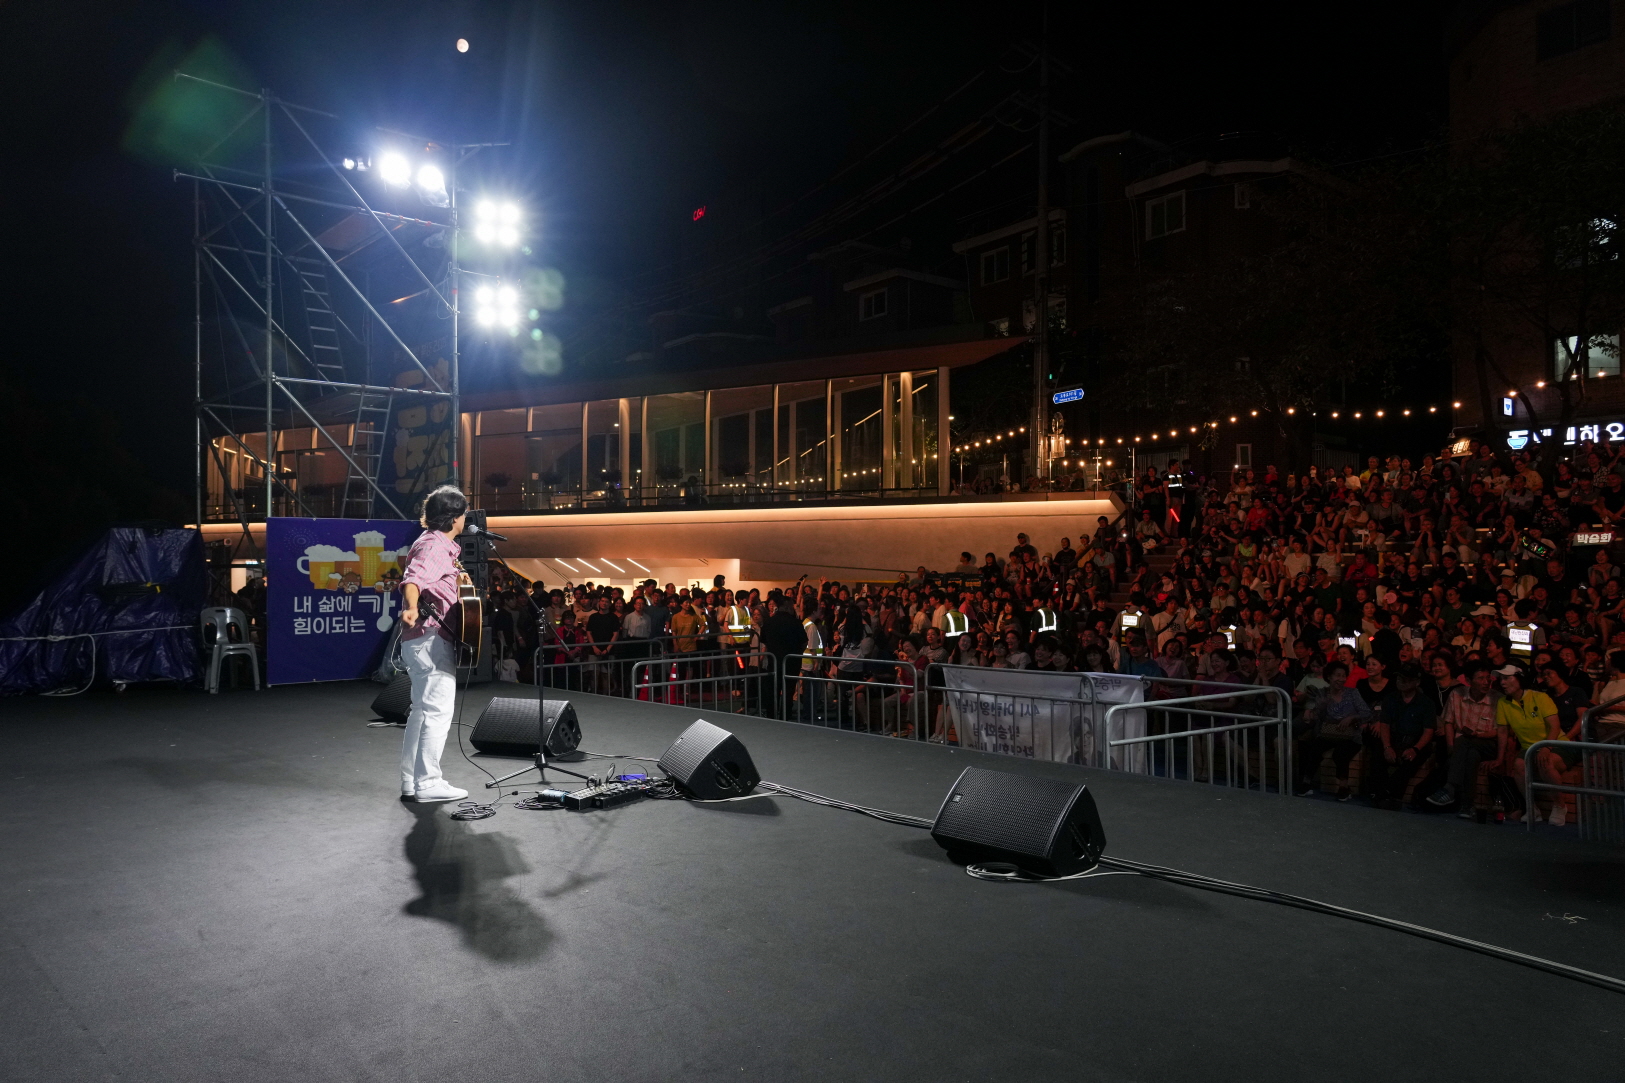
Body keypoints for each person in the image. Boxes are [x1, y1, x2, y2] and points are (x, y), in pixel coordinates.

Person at [396, 485, 470, 803]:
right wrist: (412, 606)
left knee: (422, 712)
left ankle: (411, 781)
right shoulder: (434, 546)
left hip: (422, 640)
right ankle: (428, 783)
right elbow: (413, 579)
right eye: (464, 514)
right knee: (437, 711)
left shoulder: (434, 544)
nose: (465, 520)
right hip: (431, 639)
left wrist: (456, 581)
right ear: (454, 518)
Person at [1426, 663, 1503, 816]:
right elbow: (1448, 721)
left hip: (1488, 742)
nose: (1486, 682)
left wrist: (1476, 735)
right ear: (1468, 680)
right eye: (1480, 678)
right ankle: (1467, 806)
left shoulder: (1497, 698)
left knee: (1464, 741)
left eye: (1488, 678)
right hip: (1466, 745)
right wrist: (1450, 746)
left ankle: (1450, 788)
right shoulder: (1457, 694)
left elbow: (1498, 731)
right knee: (1472, 755)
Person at [1296, 661, 1371, 800]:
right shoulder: (1323, 693)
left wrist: (1351, 717)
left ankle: (1344, 787)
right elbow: (1317, 717)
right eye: (1337, 675)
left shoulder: (1352, 693)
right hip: (1328, 732)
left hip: (1350, 735)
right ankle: (1306, 782)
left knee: (1341, 753)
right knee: (1313, 747)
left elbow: (1367, 713)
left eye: (1343, 676)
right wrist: (1316, 710)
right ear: (1329, 677)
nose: (1341, 679)